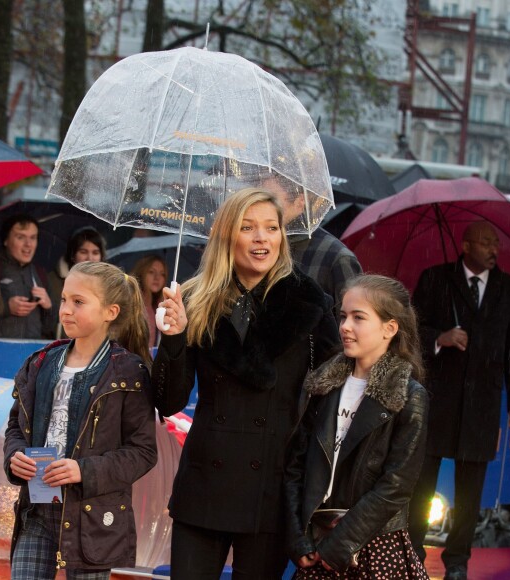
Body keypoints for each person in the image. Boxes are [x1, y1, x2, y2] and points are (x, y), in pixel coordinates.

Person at [152, 188, 339, 579]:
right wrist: (173, 337)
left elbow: (329, 399)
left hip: (271, 487)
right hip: (205, 485)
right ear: (226, 236)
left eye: (272, 228)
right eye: (248, 227)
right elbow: (168, 402)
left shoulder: (309, 302)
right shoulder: (192, 298)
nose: (262, 238)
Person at [3, 261, 156, 579]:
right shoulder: (41, 362)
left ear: (110, 312)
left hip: (93, 519)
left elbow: (143, 452)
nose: (66, 310)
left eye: (79, 302)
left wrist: (81, 470)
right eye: (63, 300)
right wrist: (14, 457)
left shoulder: (128, 372)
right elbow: (17, 425)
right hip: (37, 508)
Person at [284, 274, 429, 578]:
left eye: (358, 318)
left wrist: (340, 544)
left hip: (374, 545)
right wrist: (298, 538)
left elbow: (396, 487)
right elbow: (296, 464)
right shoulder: (322, 384)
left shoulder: (409, 396)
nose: (345, 326)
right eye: (343, 316)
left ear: (390, 328)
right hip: (316, 544)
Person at [408, 221, 510, 580]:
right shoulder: (435, 279)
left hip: (482, 407)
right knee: (421, 486)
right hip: (437, 401)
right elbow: (410, 331)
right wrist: (440, 337)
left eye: (496, 244)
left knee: (470, 494)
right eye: (485, 242)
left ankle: (458, 562)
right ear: (465, 244)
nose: (493, 249)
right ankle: (412, 554)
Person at [261, 174, 362, 311]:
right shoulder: (249, 245)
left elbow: (350, 322)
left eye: (271, 199)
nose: (261, 205)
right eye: (258, 197)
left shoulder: (335, 257)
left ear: (299, 201)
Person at [0, 213, 54, 339]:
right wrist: (6, 308)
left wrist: (48, 307)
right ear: (6, 240)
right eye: (21, 237)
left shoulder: (40, 273)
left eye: (33, 237)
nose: (28, 244)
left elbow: (50, 326)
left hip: (34, 353)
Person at [48, 226, 107, 338]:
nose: (89, 258)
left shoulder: (108, 286)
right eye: (83, 252)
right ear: (73, 255)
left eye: (95, 253)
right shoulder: (53, 281)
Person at [132, 254, 168, 349]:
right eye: (151, 272)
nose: (157, 278)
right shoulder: (133, 302)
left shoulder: (161, 305)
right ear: (142, 273)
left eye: (162, 274)